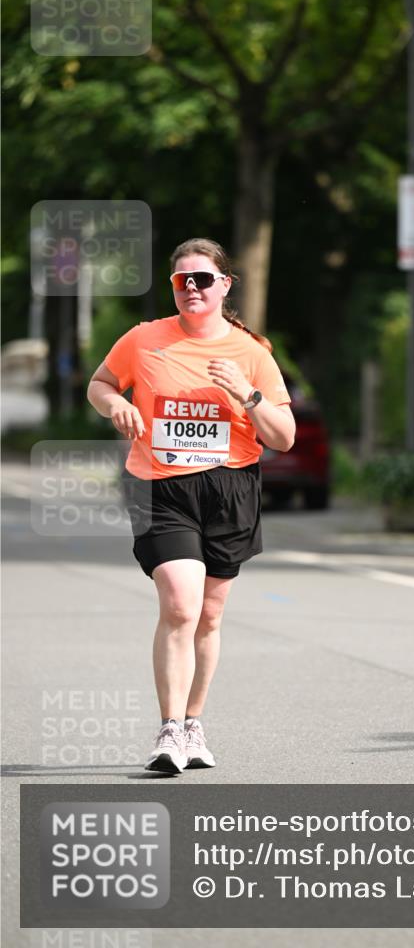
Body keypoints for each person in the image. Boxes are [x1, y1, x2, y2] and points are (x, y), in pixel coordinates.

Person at [87, 238, 295, 774]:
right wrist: (114, 405)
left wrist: (247, 394)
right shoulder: (144, 339)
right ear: (173, 287)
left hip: (230, 489)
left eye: (203, 279)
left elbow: (284, 436)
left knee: (208, 615)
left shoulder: (252, 353)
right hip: (161, 487)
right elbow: (101, 383)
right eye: (183, 280)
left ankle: (193, 723)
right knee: (181, 604)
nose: (192, 288)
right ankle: (169, 729)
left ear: (225, 285)